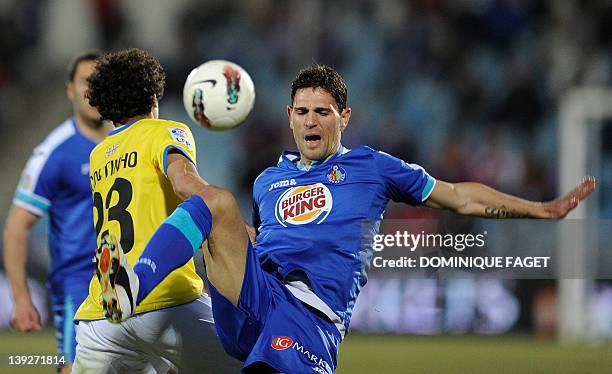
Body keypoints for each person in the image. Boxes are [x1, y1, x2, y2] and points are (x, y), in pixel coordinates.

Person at [99, 63, 596, 373]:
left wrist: (539, 209)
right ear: (288, 117)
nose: (312, 120)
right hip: (254, 295)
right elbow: (259, 237)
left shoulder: (373, 167)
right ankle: (131, 287)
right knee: (216, 204)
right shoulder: (268, 180)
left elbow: (460, 197)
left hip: (308, 314)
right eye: (302, 111)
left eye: (323, 111)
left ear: (345, 117)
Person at [71, 48, 240, 373]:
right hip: (168, 299)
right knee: (257, 363)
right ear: (152, 94)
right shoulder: (165, 131)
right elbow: (184, 183)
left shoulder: (99, 155)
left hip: (101, 317)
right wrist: (226, 214)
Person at [2, 51, 114, 373]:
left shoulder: (131, 140)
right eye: (85, 82)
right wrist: (22, 299)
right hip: (79, 287)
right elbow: (15, 227)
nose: (93, 90)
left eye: (101, 82)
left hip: (133, 283)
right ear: (69, 90)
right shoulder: (54, 152)